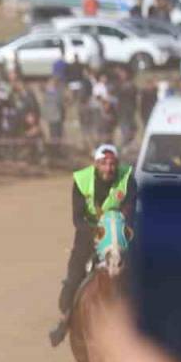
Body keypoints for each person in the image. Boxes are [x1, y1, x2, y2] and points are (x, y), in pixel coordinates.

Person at [49, 143, 137, 346]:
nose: (108, 168)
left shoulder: (128, 179)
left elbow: (129, 210)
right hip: (89, 234)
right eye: (104, 163)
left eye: (112, 163)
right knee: (73, 278)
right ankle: (64, 321)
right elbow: (77, 218)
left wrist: (117, 229)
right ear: (96, 164)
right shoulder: (81, 181)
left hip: (120, 232)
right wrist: (96, 233)